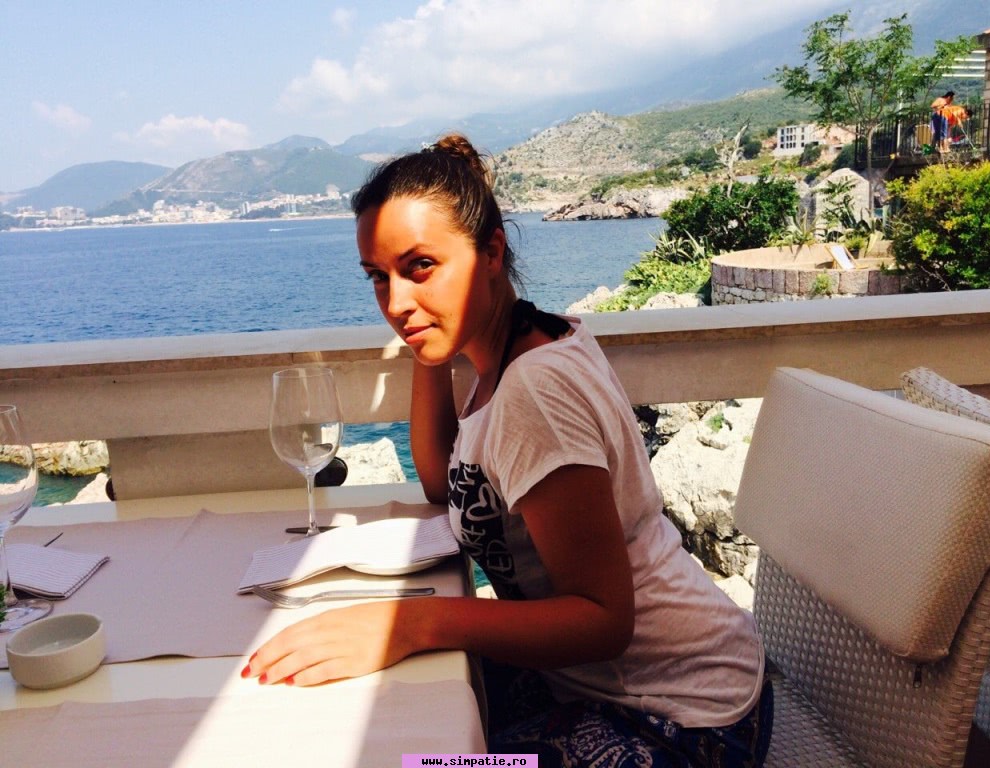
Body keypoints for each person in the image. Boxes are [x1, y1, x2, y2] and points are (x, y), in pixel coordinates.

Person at [243, 134, 772, 767]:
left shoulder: (534, 389)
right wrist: (426, 345)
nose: (396, 303)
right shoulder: (515, 346)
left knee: (409, 758)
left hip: (686, 714)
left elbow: (604, 621)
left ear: (491, 252)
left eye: (420, 267)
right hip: (599, 682)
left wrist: (411, 623)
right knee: (371, 717)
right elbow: (444, 482)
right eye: (378, 278)